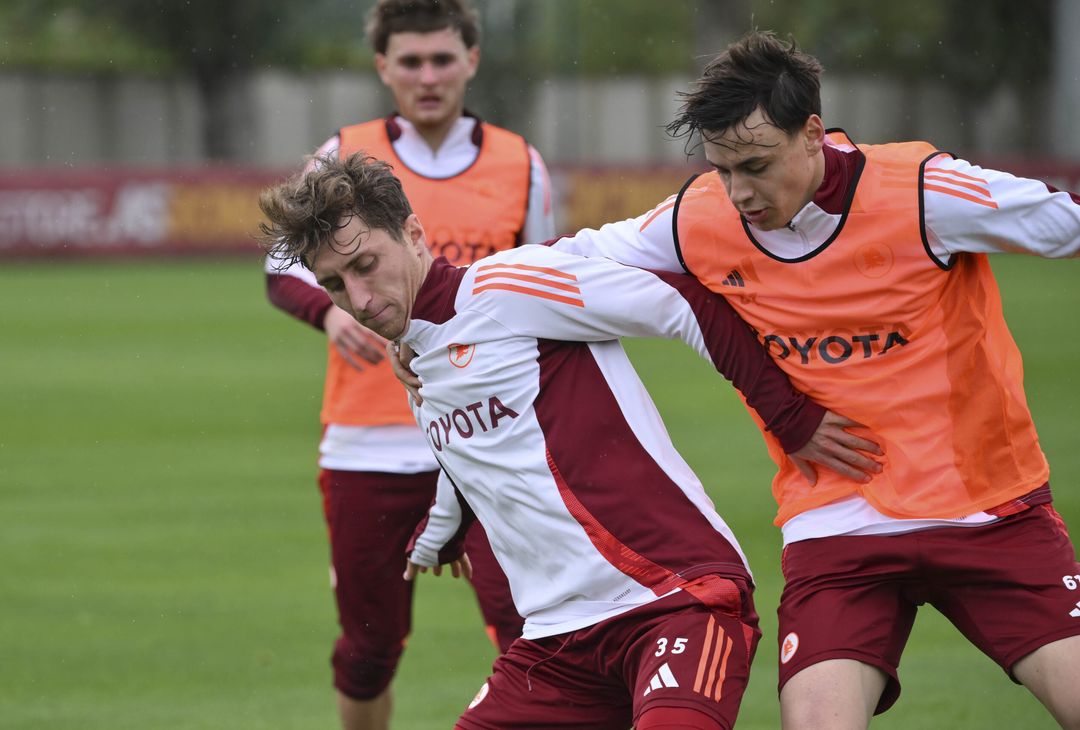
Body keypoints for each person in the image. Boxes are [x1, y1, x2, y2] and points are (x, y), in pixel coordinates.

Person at [527, 29, 1080, 730]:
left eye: (755, 166)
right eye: (722, 170)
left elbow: (1066, 224)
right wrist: (436, 314)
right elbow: (559, 265)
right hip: (836, 526)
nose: (738, 193)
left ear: (812, 132)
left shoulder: (924, 192)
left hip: (988, 510)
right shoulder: (697, 219)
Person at [257, 152, 882, 729]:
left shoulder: (508, 289)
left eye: (366, 265)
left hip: (677, 600)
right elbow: (473, 452)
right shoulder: (416, 353)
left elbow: (678, 301)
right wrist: (442, 533)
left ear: (414, 234)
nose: (359, 299)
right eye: (336, 285)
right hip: (556, 642)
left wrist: (790, 418)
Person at [263, 1, 554, 728]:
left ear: (472, 60)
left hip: (489, 436)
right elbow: (281, 267)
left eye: (442, 59)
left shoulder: (521, 163)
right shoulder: (343, 152)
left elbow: (547, 290)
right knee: (368, 651)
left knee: (534, 632)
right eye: (411, 61)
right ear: (383, 67)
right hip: (369, 443)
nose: (428, 76)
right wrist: (329, 312)